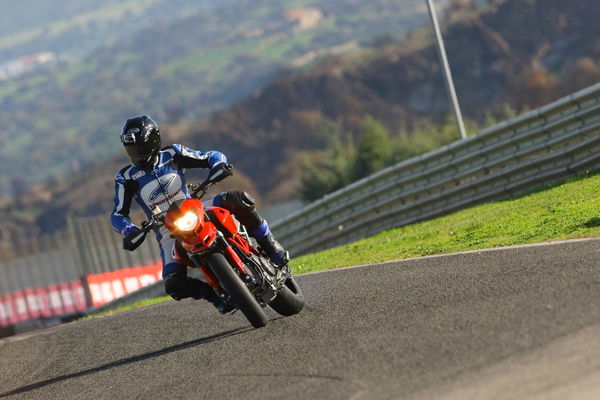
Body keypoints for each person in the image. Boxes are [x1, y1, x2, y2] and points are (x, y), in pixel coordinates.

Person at [110, 115, 289, 312]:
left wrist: (218, 165)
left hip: (196, 208)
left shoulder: (172, 153)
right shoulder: (125, 178)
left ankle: (270, 244)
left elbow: (211, 155)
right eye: (131, 149)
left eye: (140, 147)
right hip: (167, 232)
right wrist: (128, 229)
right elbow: (117, 215)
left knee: (239, 199)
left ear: (153, 141)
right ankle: (216, 297)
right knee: (174, 285)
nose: (136, 153)